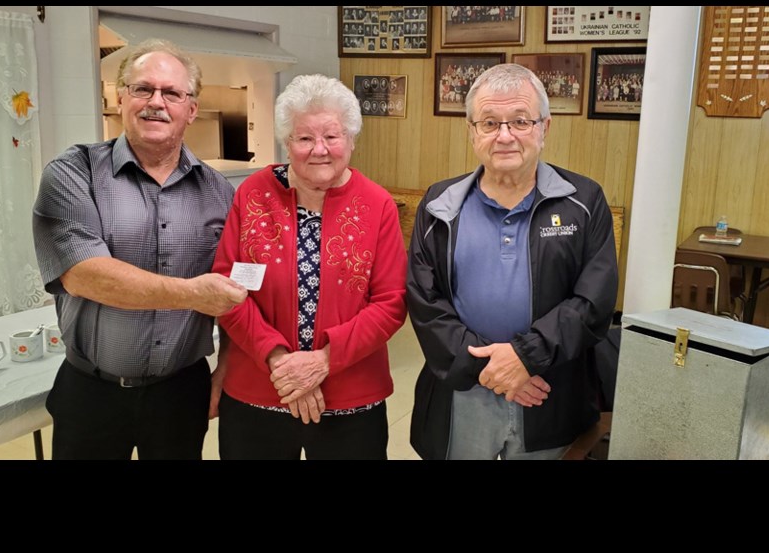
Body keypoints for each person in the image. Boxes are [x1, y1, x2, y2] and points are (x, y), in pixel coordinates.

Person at [32, 38, 247, 459]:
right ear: (120, 97)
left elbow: (236, 287)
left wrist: (227, 365)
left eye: (171, 93)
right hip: (92, 393)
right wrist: (192, 294)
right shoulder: (73, 174)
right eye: (142, 89)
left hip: (181, 394)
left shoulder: (220, 192)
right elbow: (83, 274)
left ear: (191, 109)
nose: (156, 102)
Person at [407, 63, 618, 460]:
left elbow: (594, 302)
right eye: (489, 123)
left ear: (545, 127)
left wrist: (524, 357)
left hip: (548, 392)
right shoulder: (440, 205)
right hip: (462, 393)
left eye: (520, 120)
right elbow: (424, 302)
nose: (505, 136)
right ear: (472, 132)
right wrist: (492, 371)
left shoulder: (584, 201)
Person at [210, 74, 407, 460]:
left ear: (351, 140)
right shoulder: (253, 194)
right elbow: (227, 288)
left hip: (350, 397)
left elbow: (391, 302)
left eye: (332, 137)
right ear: (287, 142)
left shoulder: (377, 204)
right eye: (304, 138)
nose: (320, 149)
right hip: (260, 389)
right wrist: (279, 361)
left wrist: (322, 362)